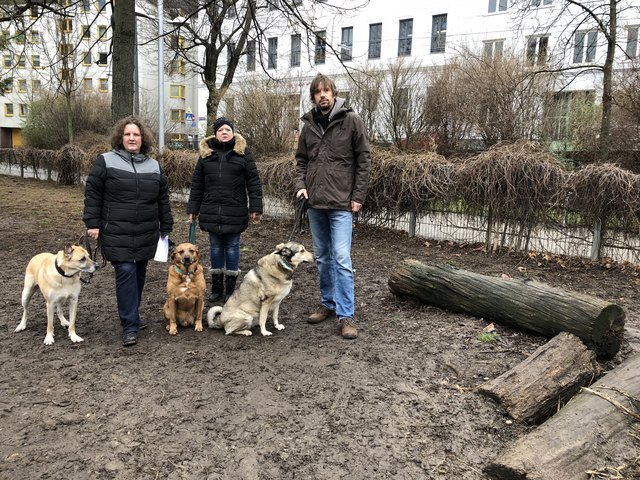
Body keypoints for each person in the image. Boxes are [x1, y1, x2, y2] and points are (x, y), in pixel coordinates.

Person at [83, 116, 173, 347]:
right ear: (120, 138)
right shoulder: (105, 161)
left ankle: (132, 314)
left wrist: (167, 226)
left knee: (139, 274)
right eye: (127, 134)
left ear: (143, 139)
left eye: (136, 134)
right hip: (116, 230)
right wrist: (92, 223)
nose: (132, 138)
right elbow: (93, 193)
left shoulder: (154, 166)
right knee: (125, 273)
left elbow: (162, 198)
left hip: (146, 231)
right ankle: (129, 326)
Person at [295, 73, 371, 340]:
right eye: (318, 92)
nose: (323, 95)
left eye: (327, 91)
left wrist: (358, 196)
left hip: (341, 203)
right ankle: (328, 303)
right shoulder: (309, 125)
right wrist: (300, 185)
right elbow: (301, 161)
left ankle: (346, 314)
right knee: (324, 258)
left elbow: (364, 160)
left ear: (334, 94)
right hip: (315, 203)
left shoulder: (351, 121)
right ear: (314, 96)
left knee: (341, 258)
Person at [187, 117, 263, 303]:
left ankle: (230, 289)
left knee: (232, 247)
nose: (224, 132)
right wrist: (193, 209)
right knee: (215, 247)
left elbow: (253, 182)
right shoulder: (206, 155)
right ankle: (217, 288)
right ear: (215, 133)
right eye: (220, 129)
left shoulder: (243, 153)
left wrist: (256, 207)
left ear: (233, 132)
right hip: (211, 208)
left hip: (235, 209)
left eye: (227, 129)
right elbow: (197, 185)